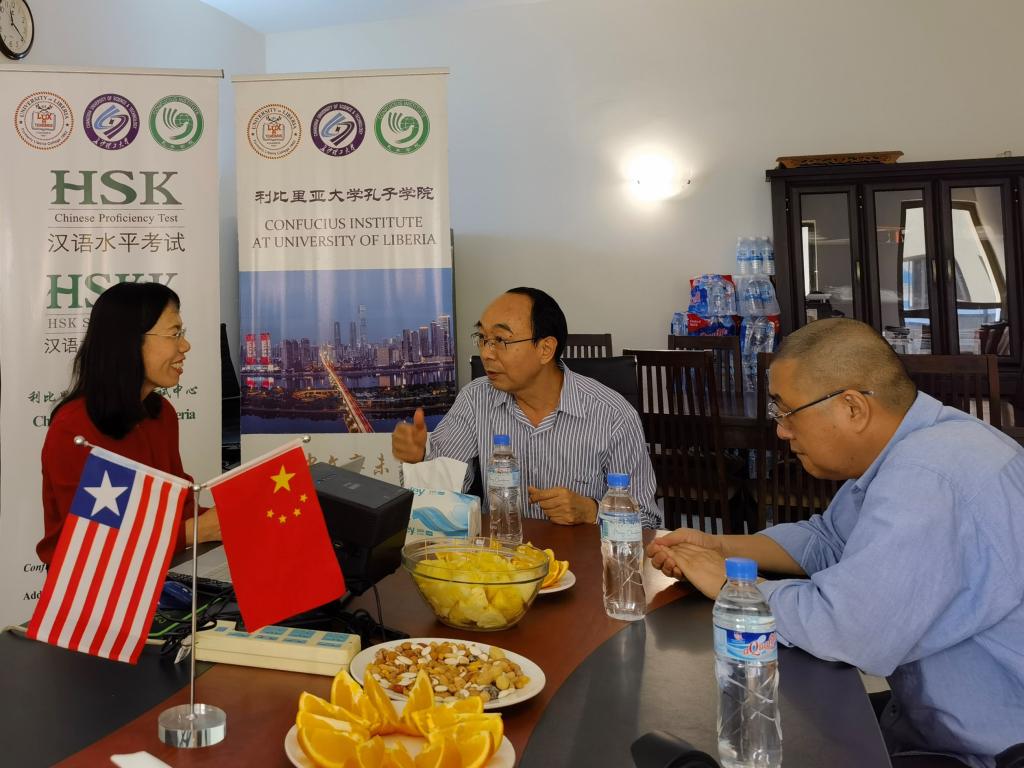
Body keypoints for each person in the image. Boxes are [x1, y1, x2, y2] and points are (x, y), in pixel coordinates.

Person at [648, 318, 1024, 768]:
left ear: (852, 408)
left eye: (786, 412)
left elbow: (849, 629)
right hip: (927, 718)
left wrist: (737, 590)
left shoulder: (929, 476)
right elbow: (828, 540)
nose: (781, 431)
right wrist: (719, 548)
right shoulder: (914, 445)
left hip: (988, 750)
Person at [392, 287, 659, 527]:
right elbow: (442, 497)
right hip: (500, 558)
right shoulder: (475, 399)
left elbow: (647, 521)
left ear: (545, 349)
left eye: (501, 340)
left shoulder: (613, 415)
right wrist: (419, 460)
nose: (486, 353)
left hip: (581, 560)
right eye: (482, 338)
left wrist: (592, 512)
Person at [38, 282, 221, 565]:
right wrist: (194, 531)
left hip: (159, 577)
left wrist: (240, 510)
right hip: (98, 586)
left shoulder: (161, 414)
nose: (185, 346)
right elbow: (93, 541)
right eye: (174, 334)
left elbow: (178, 506)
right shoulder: (75, 428)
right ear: (129, 341)